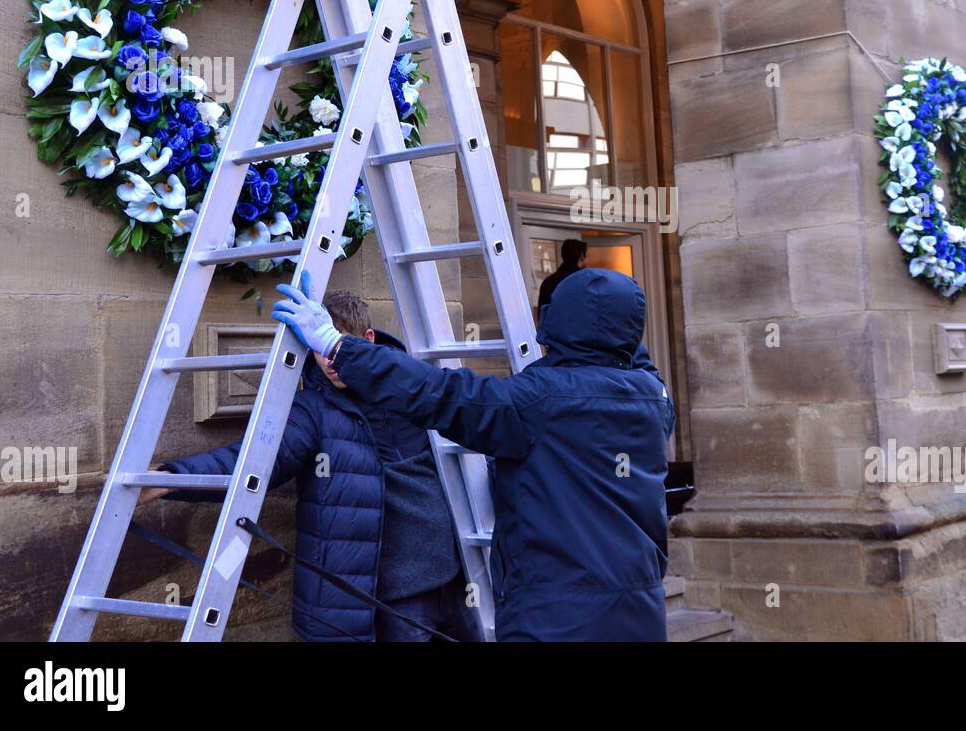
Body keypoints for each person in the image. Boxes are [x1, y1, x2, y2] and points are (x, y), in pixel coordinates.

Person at [274, 267, 675, 641]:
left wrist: (336, 345)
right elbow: (625, 355)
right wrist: (617, 332)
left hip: (555, 617)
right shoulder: (655, 399)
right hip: (641, 611)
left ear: (557, 324)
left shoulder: (537, 403)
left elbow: (437, 392)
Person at [141, 290, 480, 643]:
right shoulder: (314, 410)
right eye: (318, 349)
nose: (329, 361)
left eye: (336, 345)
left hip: (459, 579)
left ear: (367, 340)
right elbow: (256, 461)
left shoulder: (410, 386)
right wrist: (170, 479)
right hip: (393, 597)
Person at [536, 238, 587, 322]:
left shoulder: (548, 282)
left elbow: (542, 316)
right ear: (581, 256)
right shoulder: (585, 281)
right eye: (586, 256)